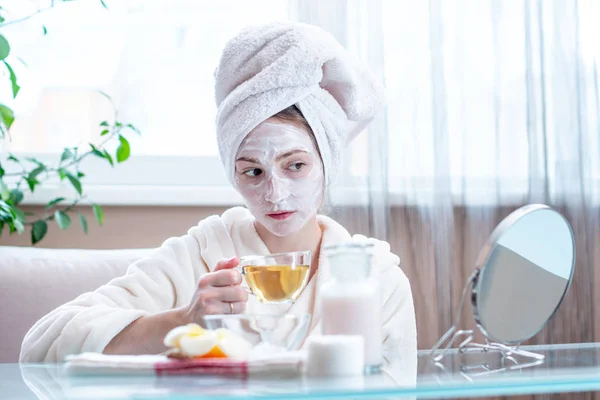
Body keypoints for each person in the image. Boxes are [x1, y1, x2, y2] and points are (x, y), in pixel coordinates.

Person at [20, 22, 416, 364]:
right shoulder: (201, 253)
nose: (275, 194)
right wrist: (181, 321)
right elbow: (41, 345)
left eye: (295, 165)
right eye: (252, 171)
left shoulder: (377, 277)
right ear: (232, 174)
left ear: (328, 163)